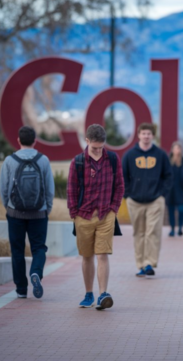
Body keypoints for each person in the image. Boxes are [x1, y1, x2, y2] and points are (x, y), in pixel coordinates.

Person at [67, 124, 124, 310]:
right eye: (94, 147)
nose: (98, 151)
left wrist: (114, 209)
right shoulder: (78, 162)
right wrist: (74, 213)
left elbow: (120, 186)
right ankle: (88, 293)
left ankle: (103, 294)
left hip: (106, 215)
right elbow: (71, 190)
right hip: (83, 216)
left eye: (101, 147)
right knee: (87, 256)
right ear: (87, 141)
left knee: (102, 255)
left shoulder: (113, 159)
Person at [0, 126, 54, 299]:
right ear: (35, 141)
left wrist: (8, 207)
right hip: (39, 213)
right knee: (39, 248)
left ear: (18, 140)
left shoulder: (9, 160)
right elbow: (49, 189)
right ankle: (35, 272)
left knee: (17, 250)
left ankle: (21, 289)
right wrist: (47, 208)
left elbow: (4, 189)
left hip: (15, 213)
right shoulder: (43, 160)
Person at [122, 122, 172, 277]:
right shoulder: (130, 155)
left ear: (153, 136)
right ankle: (140, 264)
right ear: (138, 135)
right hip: (134, 200)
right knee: (139, 232)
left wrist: (162, 193)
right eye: (143, 133)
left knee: (152, 232)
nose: (146, 136)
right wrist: (127, 193)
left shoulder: (160, 154)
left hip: (155, 200)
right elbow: (123, 176)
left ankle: (149, 263)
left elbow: (168, 176)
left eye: (149, 134)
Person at [166, 141, 183, 237]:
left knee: (181, 210)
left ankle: (180, 228)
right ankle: (172, 229)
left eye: (179, 148)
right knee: (171, 211)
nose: (178, 150)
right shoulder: (168, 161)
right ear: (172, 150)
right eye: (176, 148)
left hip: (181, 190)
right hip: (170, 191)